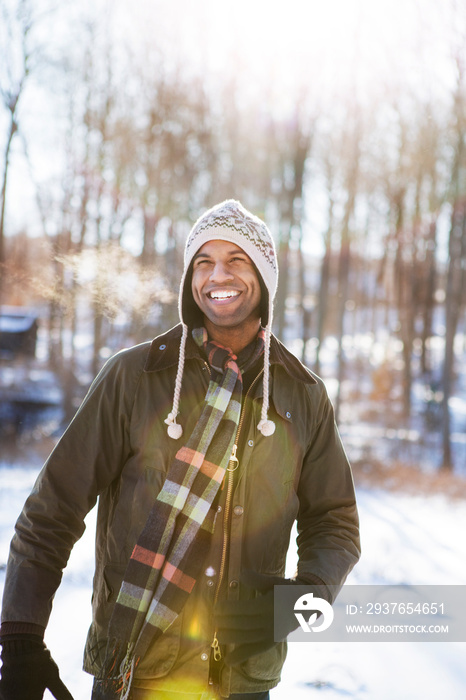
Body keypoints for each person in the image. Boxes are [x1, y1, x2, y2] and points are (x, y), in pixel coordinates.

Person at [0, 200, 360, 700]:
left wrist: (300, 601)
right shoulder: (133, 378)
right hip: (133, 674)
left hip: (241, 680)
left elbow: (335, 522)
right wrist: (20, 638)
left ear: (264, 277)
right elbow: (51, 511)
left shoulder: (302, 395)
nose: (218, 274)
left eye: (237, 259)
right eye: (204, 261)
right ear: (190, 279)